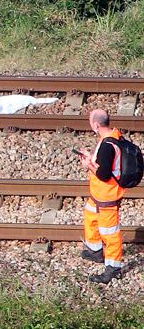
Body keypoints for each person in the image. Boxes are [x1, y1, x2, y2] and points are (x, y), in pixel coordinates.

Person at [79, 109, 125, 284]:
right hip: (98, 194)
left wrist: (88, 166)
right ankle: (95, 251)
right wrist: (92, 159)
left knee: (110, 233)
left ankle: (113, 269)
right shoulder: (111, 137)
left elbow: (105, 174)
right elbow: (107, 164)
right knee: (90, 214)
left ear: (96, 125)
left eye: (91, 122)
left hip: (107, 195)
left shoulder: (107, 145)